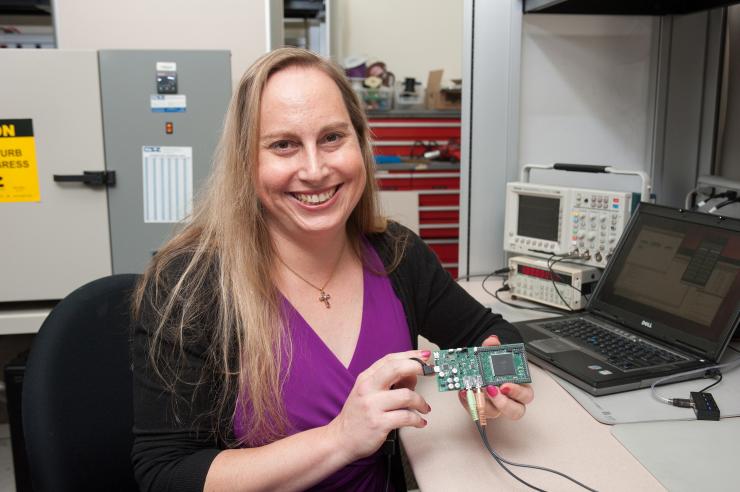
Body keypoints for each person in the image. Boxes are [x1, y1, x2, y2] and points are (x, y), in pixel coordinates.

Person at [131, 47, 534, 492]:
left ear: (360, 142)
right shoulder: (190, 285)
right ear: (247, 163)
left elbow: (493, 334)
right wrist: (339, 439)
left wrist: (493, 386)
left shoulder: (398, 254)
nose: (315, 169)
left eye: (332, 138)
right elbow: (165, 475)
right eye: (283, 145)